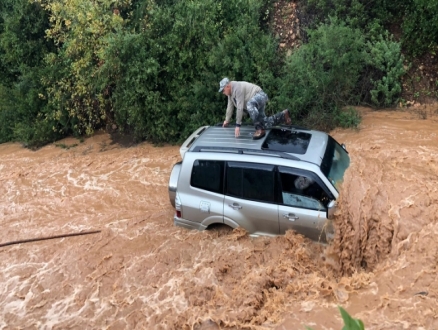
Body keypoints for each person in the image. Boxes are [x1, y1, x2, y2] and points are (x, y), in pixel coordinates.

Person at [218, 77, 291, 139]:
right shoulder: (230, 94)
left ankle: (259, 130)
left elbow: (239, 107)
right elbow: (229, 107)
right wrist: (226, 120)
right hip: (255, 103)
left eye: (223, 90)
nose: (223, 93)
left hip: (260, 95)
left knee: (249, 105)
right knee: (264, 123)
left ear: (228, 86)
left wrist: (238, 125)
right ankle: (283, 115)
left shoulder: (237, 88)